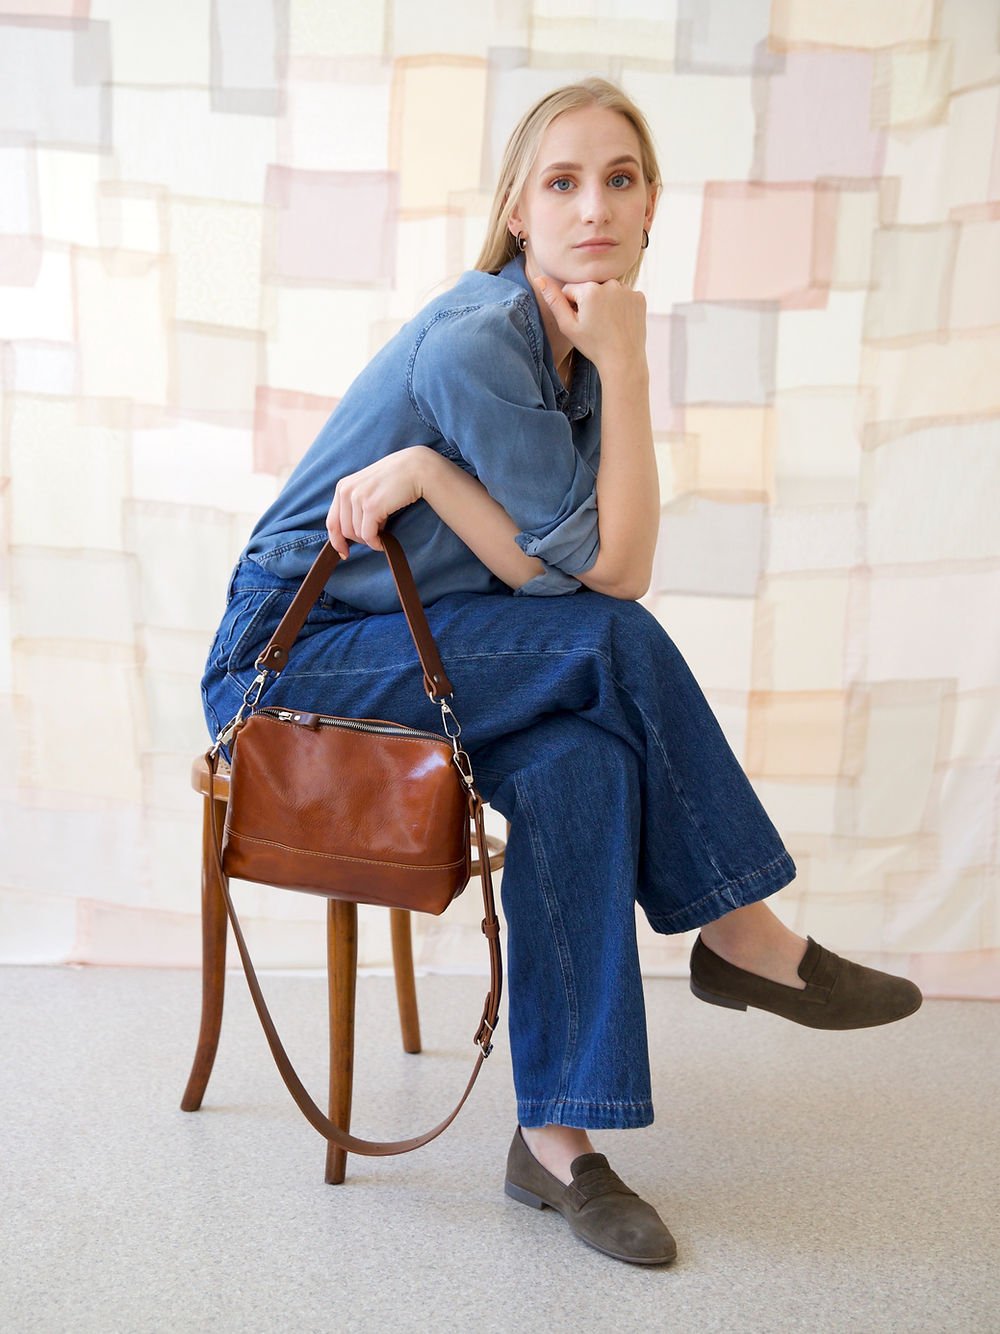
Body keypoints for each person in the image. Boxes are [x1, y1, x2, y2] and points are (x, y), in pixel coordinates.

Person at [200, 77, 922, 1266]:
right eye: (563, 180)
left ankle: (556, 1140)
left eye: (621, 179)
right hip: (291, 663)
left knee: (585, 758)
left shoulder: (583, 340)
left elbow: (577, 568)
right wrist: (556, 411)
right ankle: (744, 935)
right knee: (616, 644)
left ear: (651, 214)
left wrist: (553, 405)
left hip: (438, 653)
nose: (594, 205)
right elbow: (612, 578)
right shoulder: (486, 339)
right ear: (517, 213)